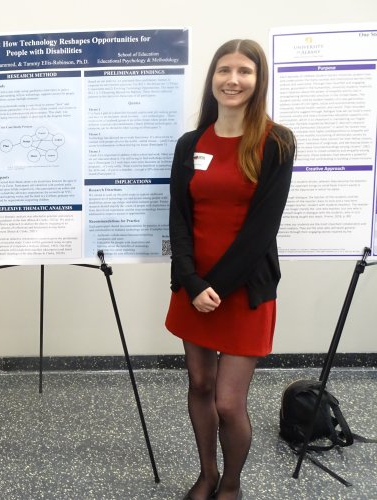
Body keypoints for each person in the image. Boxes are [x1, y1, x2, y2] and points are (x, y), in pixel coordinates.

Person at [165, 39, 295, 500]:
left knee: (227, 400)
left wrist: (214, 287)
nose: (233, 79)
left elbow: (262, 229)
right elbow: (179, 218)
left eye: (245, 71)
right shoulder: (191, 143)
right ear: (212, 79)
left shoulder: (276, 141)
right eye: (224, 70)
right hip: (194, 285)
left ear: (259, 80)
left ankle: (232, 484)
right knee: (199, 384)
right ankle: (207, 474)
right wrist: (193, 283)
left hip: (243, 290)